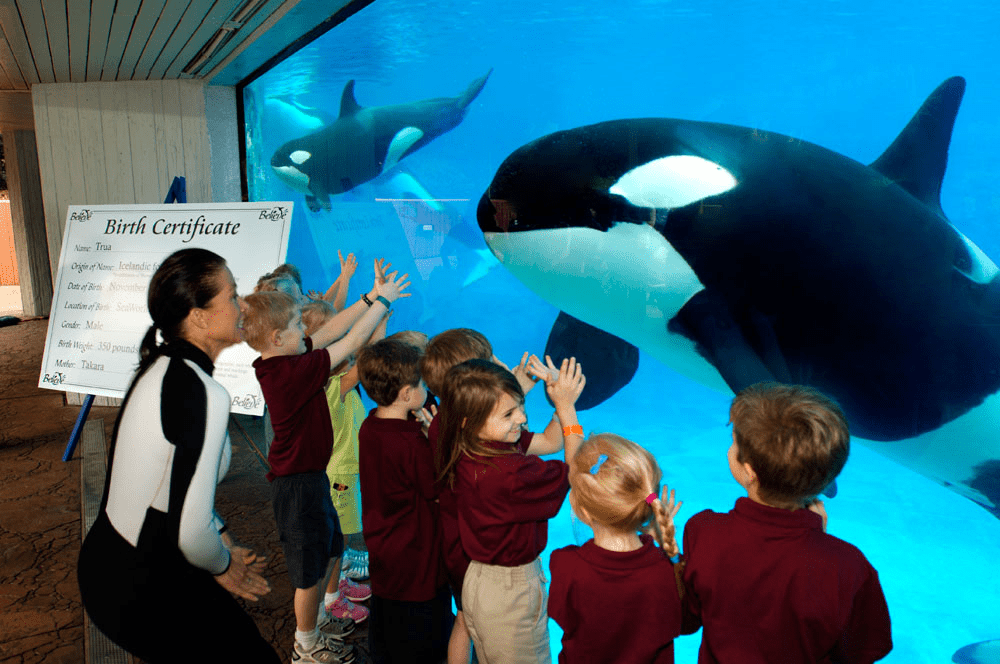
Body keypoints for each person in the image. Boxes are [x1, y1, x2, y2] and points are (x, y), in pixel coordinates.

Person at [77, 248, 280, 663]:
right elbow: (189, 533)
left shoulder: (162, 366)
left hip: (120, 568)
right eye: (231, 295)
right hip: (140, 583)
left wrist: (219, 539)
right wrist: (224, 567)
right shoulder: (202, 392)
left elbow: (168, 488)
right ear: (200, 316)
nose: (242, 305)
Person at [243, 265, 409, 664]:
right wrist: (383, 300)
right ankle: (306, 645)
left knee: (331, 549)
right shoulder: (294, 372)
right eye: (299, 323)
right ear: (277, 337)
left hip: (310, 477)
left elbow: (335, 331)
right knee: (306, 572)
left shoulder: (284, 356)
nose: (306, 329)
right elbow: (350, 337)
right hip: (297, 486)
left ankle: (319, 618)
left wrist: (370, 299)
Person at [682, 382, 893, 664]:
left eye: (734, 441)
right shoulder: (849, 565)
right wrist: (818, 541)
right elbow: (863, 650)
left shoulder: (703, 531)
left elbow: (688, 617)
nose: (731, 447)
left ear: (749, 469)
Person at [436, 356, 586, 664]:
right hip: (510, 591)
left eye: (520, 405)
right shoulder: (510, 475)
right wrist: (568, 408)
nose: (521, 418)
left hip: (477, 580)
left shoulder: (465, 444)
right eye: (509, 413)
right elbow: (576, 473)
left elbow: (550, 441)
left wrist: (555, 399)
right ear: (470, 419)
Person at [420, 327, 541, 664]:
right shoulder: (480, 434)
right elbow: (526, 442)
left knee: (465, 618)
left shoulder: (440, 422)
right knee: (481, 625)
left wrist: (507, 396)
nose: (496, 365)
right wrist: (517, 398)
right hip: (482, 545)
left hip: (456, 537)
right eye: (487, 363)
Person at [548, 433, 690, 664]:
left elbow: (564, 617)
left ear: (584, 512)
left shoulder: (565, 565)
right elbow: (687, 624)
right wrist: (658, 544)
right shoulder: (669, 568)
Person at [355, 338, 454, 664]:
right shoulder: (412, 441)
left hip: (385, 546)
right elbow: (435, 488)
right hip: (418, 555)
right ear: (408, 394)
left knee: (388, 614)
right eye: (423, 383)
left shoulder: (370, 426)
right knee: (424, 625)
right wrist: (434, 439)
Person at [300, 297, 379, 617]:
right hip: (340, 475)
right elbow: (366, 358)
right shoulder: (333, 385)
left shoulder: (325, 380)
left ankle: (339, 579)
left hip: (339, 472)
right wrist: (378, 308)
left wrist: (381, 316)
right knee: (338, 538)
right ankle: (333, 597)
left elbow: (365, 352)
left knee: (340, 536)